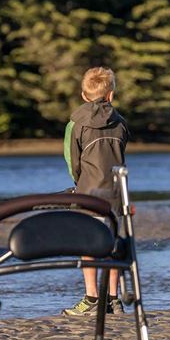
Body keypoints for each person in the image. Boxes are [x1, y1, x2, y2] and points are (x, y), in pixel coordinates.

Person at [61, 67, 131, 316]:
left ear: (83, 94)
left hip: (88, 193)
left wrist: (79, 183)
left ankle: (92, 297)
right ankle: (113, 299)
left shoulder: (75, 124)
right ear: (110, 95)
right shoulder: (121, 122)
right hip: (115, 192)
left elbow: (73, 161)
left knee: (87, 245)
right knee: (112, 245)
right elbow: (121, 154)